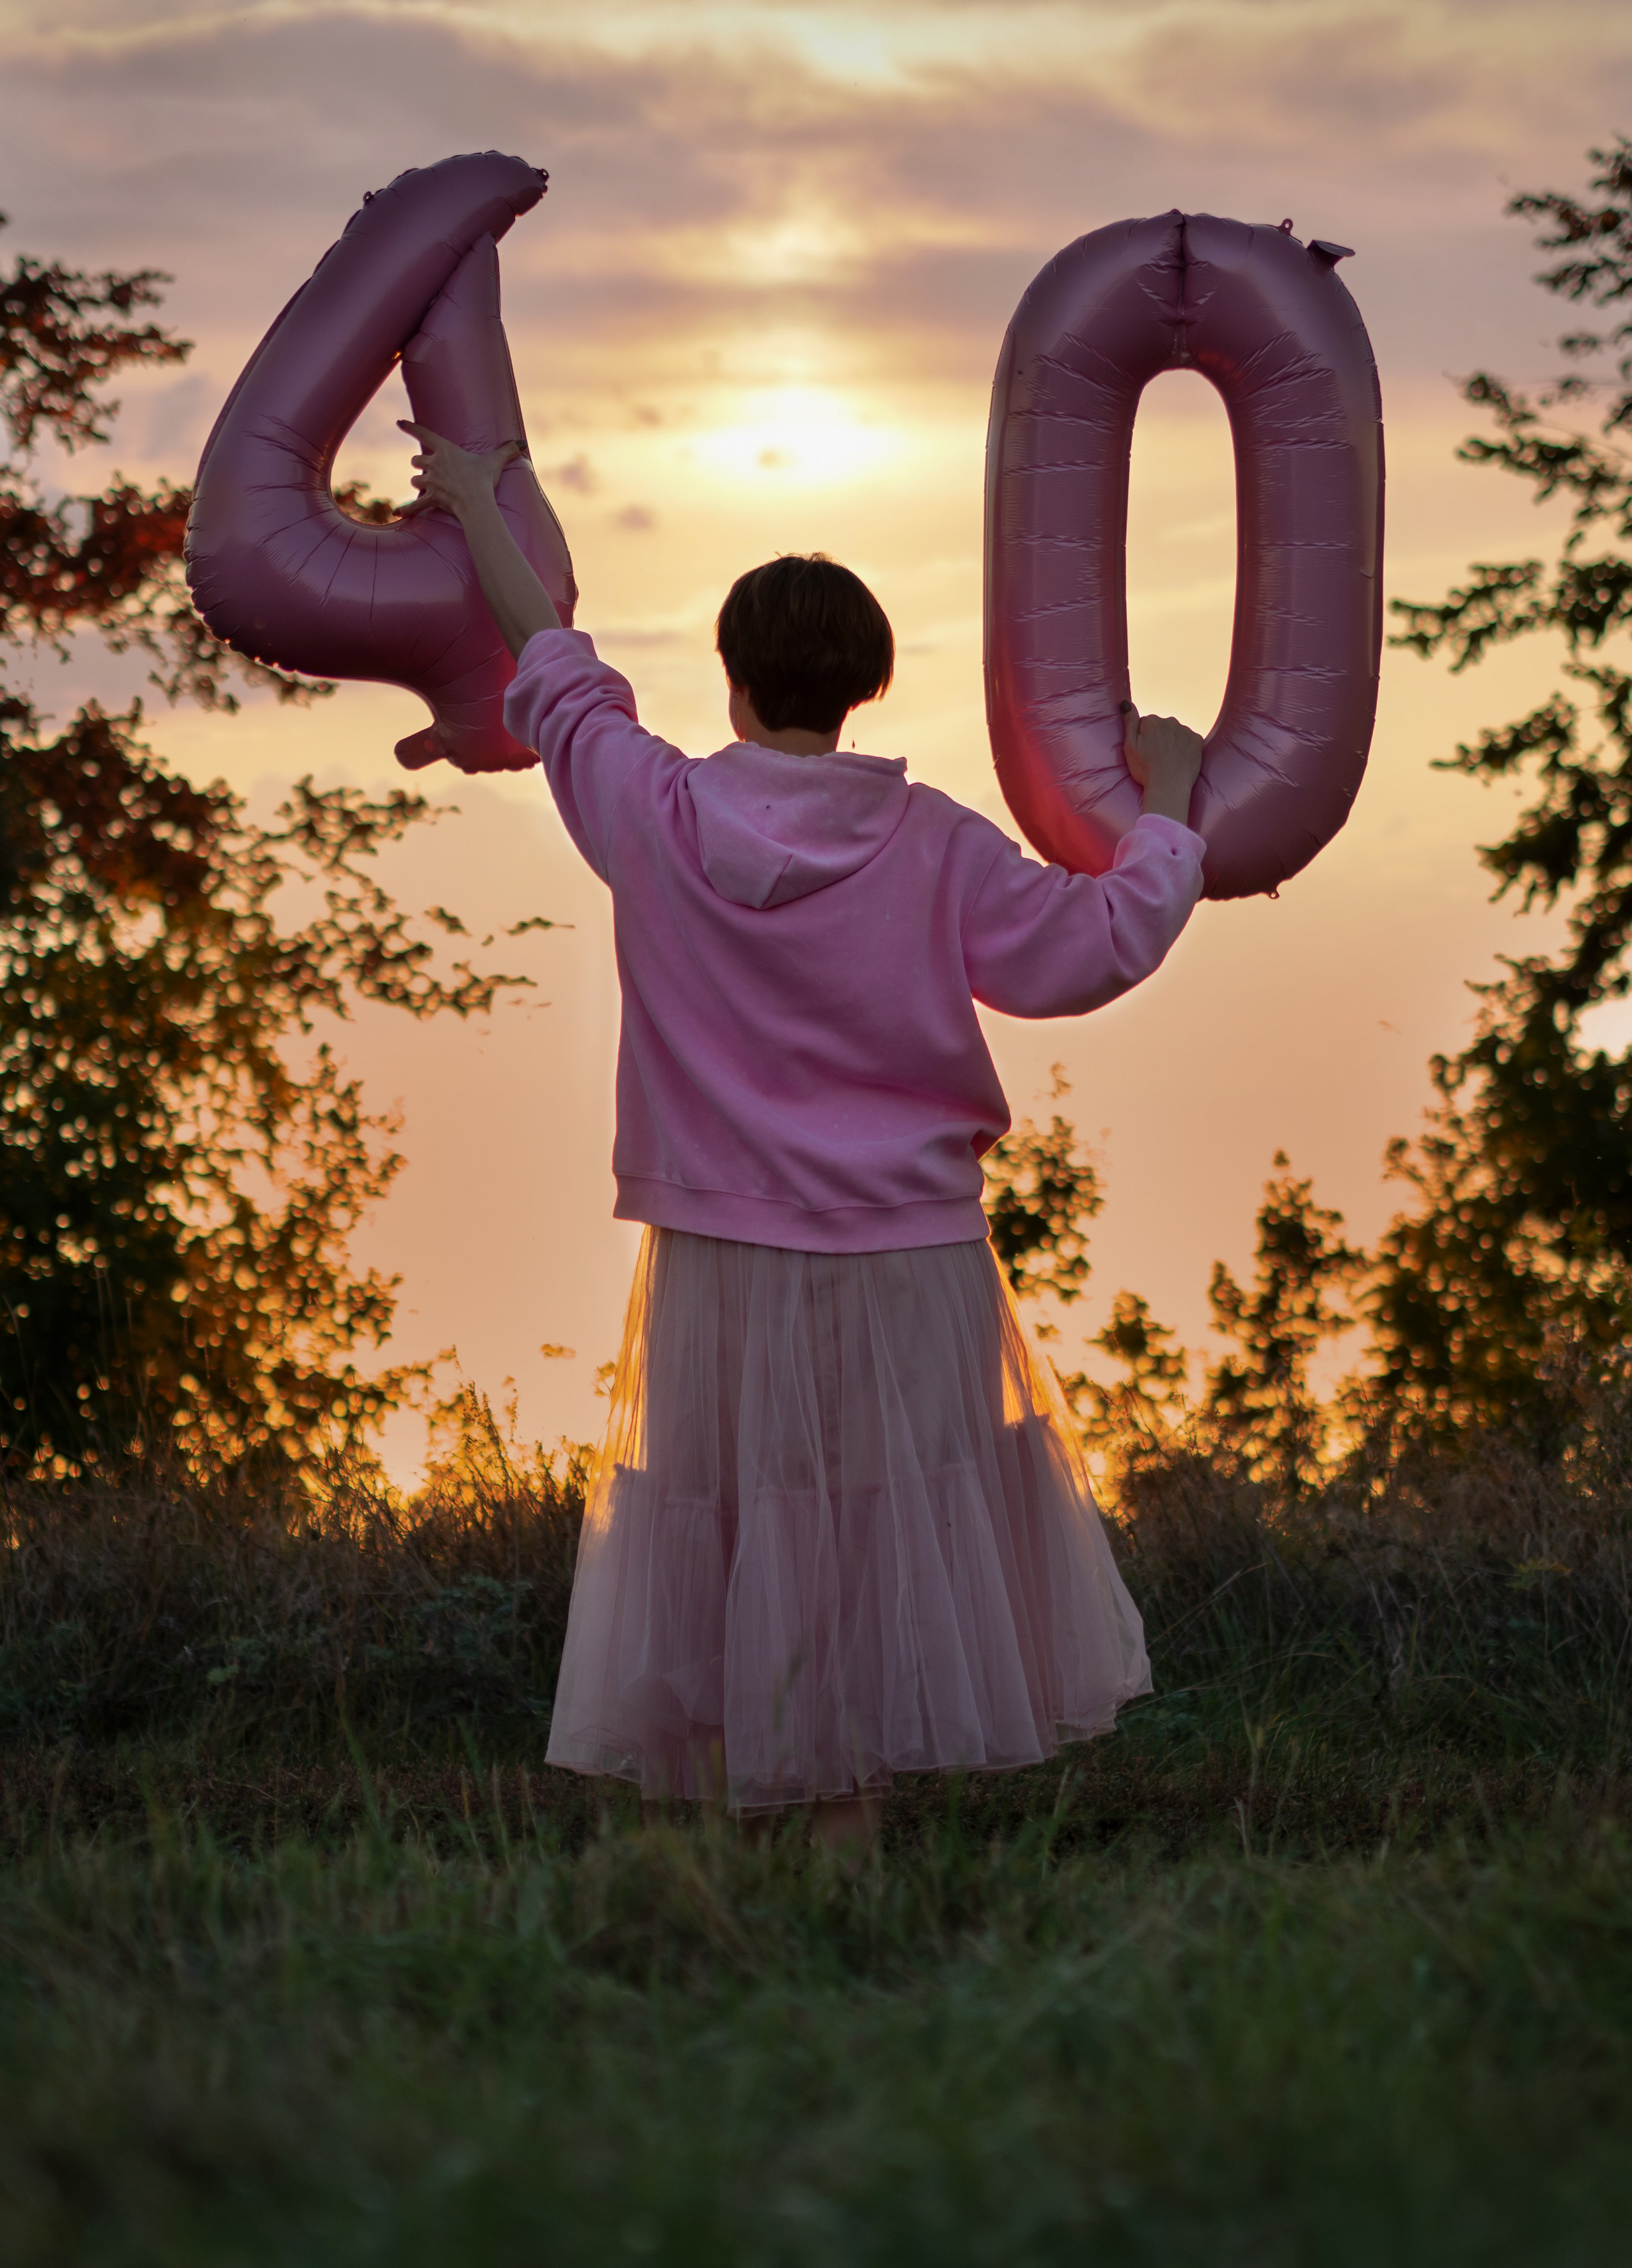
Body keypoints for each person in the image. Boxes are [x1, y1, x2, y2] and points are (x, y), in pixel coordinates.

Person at [399, 419, 1207, 1855]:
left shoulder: (647, 806)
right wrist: (1166, 815)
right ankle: (850, 1841)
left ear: (730, 674)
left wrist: (469, 498)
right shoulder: (936, 841)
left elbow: (552, 654)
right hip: (911, 1257)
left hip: (718, 1251)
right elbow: (1092, 950)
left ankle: (761, 1839)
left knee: (733, 1522)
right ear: (868, 683)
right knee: (883, 1527)